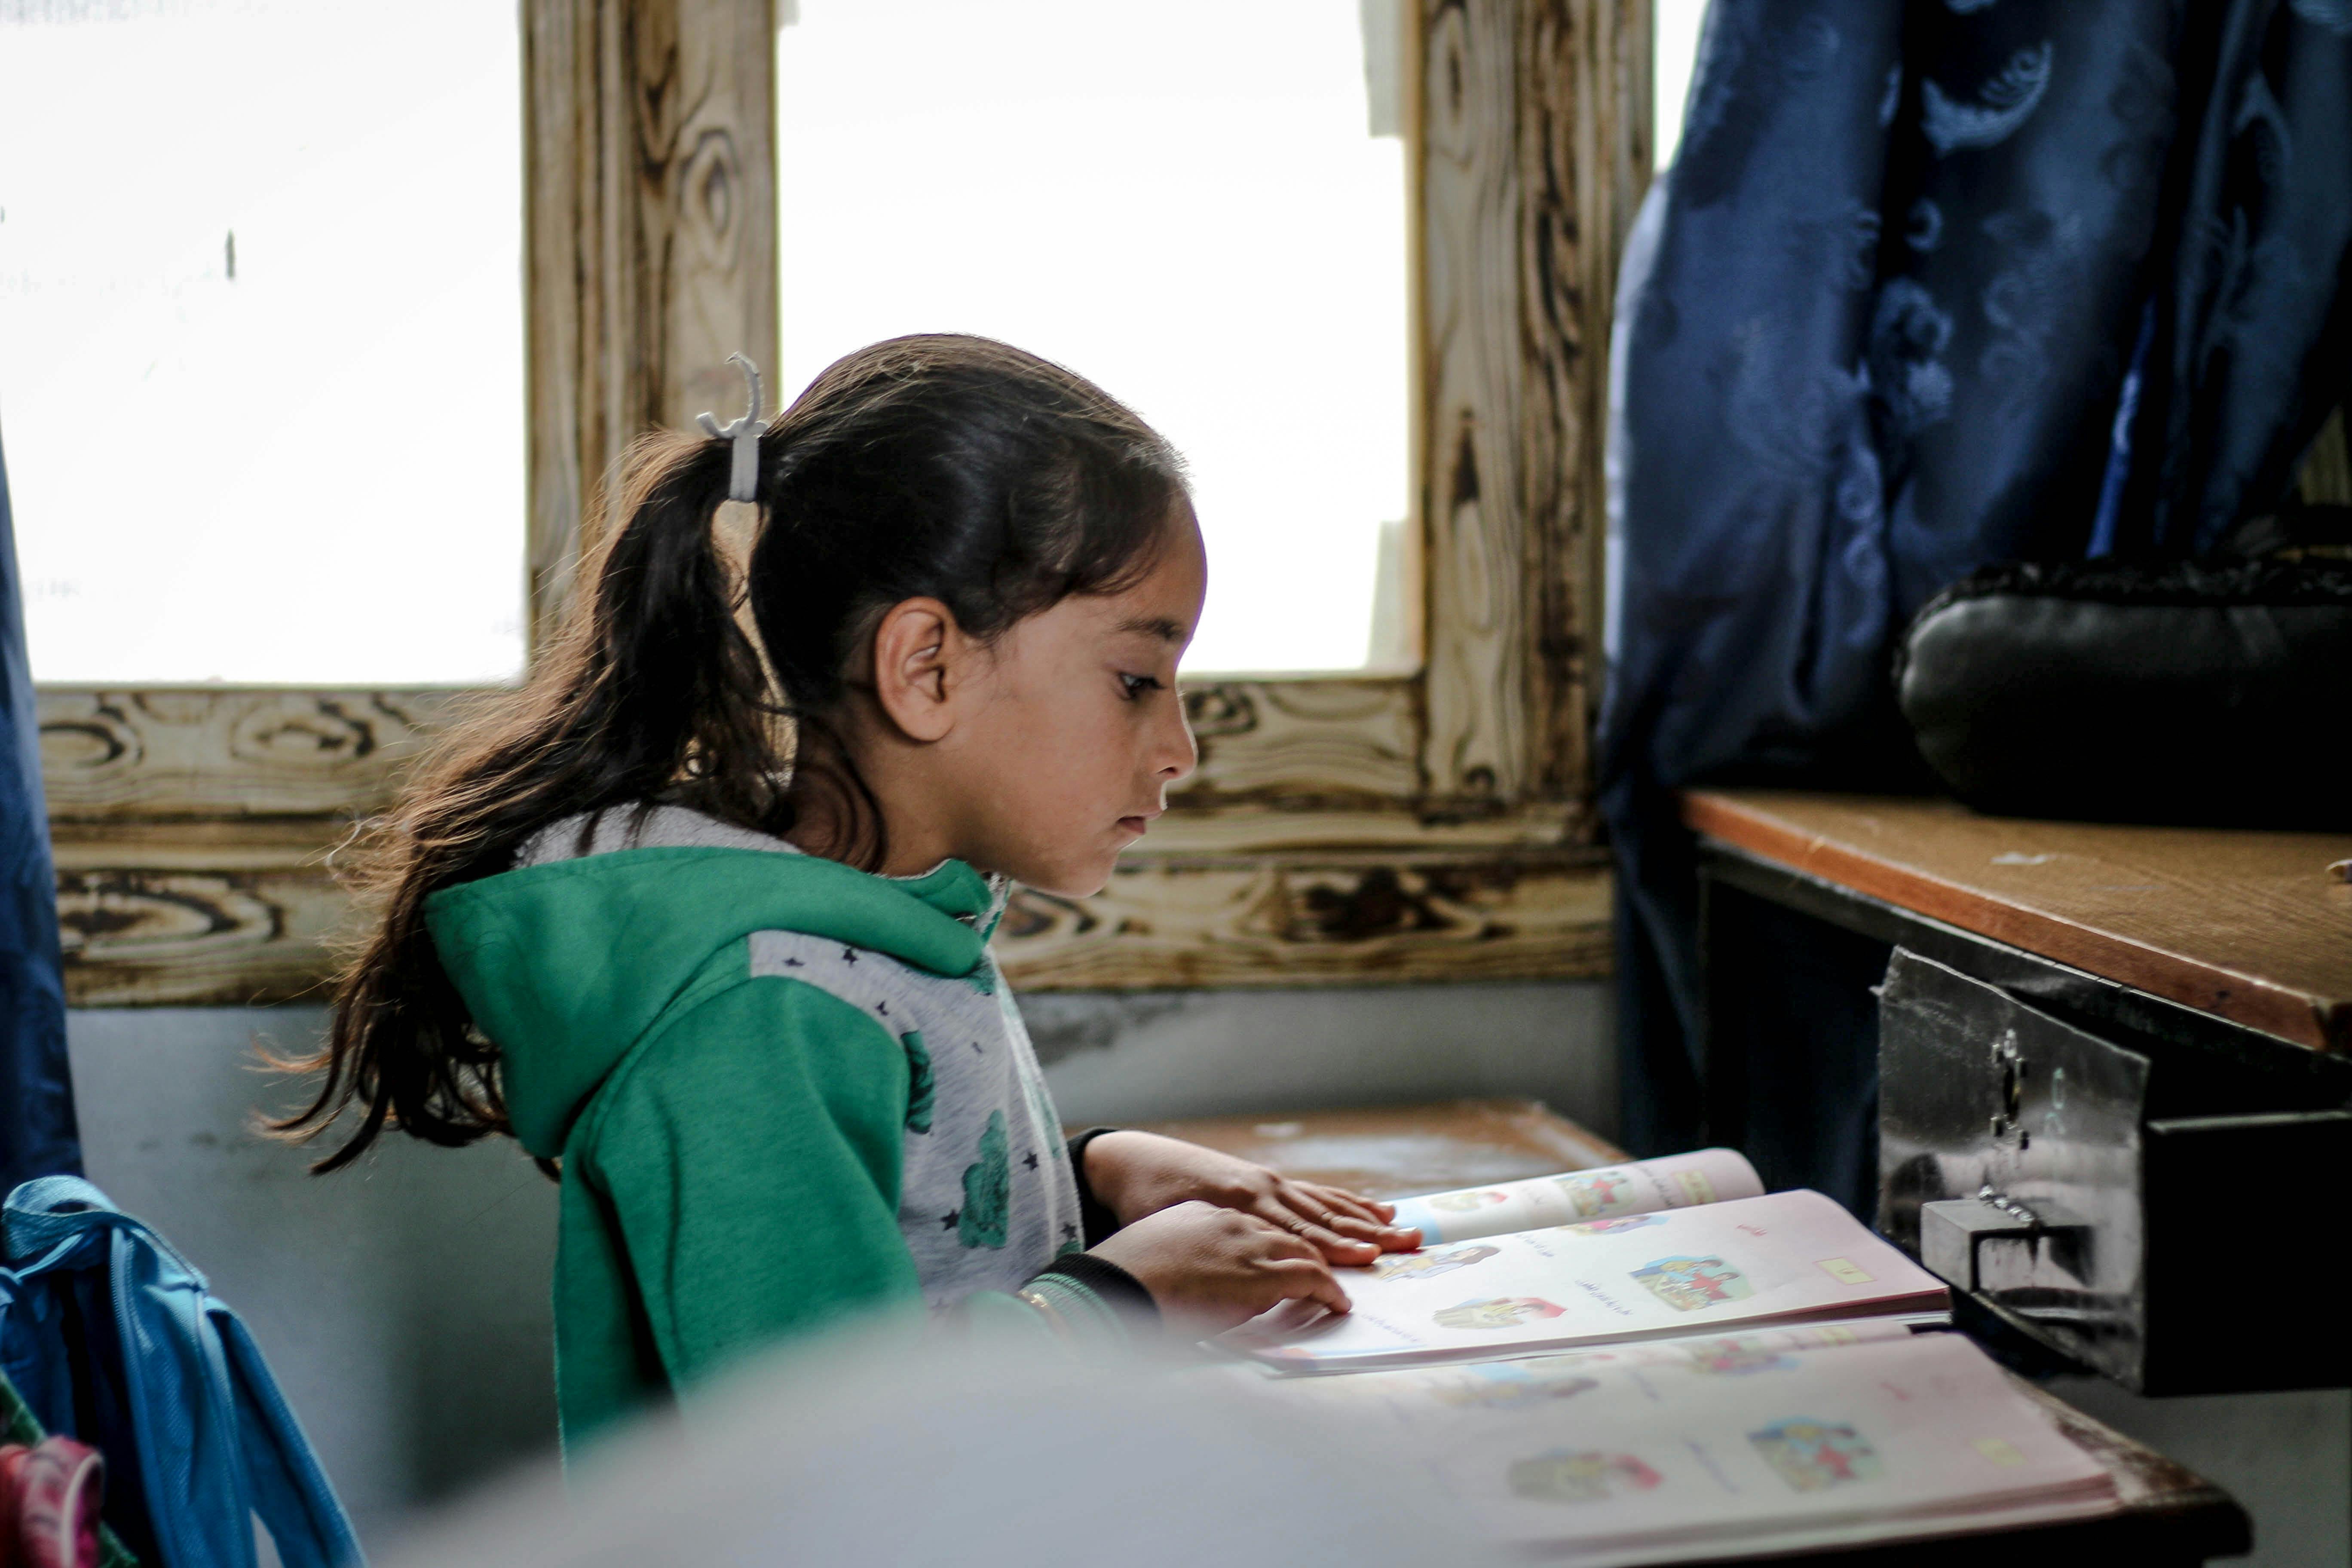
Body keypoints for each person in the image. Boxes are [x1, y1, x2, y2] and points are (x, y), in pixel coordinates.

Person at [276, 335, 1420, 1452]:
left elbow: (905, 1225)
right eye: (1136, 682)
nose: (1179, 749)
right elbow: (819, 1453)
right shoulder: (754, 1010)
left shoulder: (879, 931)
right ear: (926, 667)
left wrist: (1101, 1172)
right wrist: (1118, 1304)